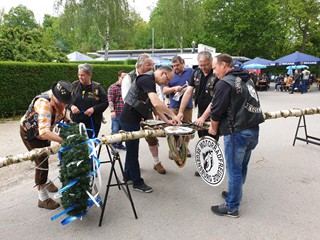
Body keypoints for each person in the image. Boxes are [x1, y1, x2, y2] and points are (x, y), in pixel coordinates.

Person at [209, 54, 264, 218]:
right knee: (242, 167)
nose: (214, 72)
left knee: (234, 170)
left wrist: (213, 130)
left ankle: (232, 206)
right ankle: (234, 193)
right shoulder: (247, 78)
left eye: (215, 68)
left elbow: (216, 111)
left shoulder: (224, 83)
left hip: (237, 132)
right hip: (253, 129)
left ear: (224, 65)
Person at [120, 66, 181, 193]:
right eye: (167, 79)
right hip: (129, 119)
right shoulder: (147, 79)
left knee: (131, 149)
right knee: (132, 151)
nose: (167, 83)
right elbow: (157, 103)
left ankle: (127, 176)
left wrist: (168, 121)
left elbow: (154, 107)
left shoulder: (150, 81)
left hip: (132, 119)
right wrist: (174, 115)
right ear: (163, 74)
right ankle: (137, 183)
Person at [20, 81, 74, 210]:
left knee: (45, 160)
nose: (65, 104)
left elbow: (62, 110)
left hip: (44, 133)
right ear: (56, 96)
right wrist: (63, 140)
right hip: (32, 135)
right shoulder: (44, 104)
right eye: (63, 101)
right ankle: (42, 198)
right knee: (42, 163)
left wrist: (69, 121)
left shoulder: (58, 99)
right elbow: (44, 133)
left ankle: (46, 181)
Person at [122, 53, 166, 174]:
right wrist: (140, 114)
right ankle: (131, 171)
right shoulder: (128, 77)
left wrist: (161, 115)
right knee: (132, 145)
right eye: (148, 65)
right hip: (133, 112)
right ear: (140, 65)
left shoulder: (151, 77)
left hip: (146, 111)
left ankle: (156, 162)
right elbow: (126, 98)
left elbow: (157, 98)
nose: (151, 67)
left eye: (152, 65)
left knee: (152, 137)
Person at [177, 51, 218, 176]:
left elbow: (216, 99)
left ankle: (211, 167)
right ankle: (205, 165)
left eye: (206, 65)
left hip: (215, 110)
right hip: (201, 109)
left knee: (212, 138)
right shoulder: (196, 73)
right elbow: (188, 92)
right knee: (202, 137)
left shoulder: (217, 74)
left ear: (211, 62)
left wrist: (203, 117)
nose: (203, 68)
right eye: (201, 65)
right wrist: (180, 112)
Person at [163, 56, 193, 159]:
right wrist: (174, 88)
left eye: (177, 65)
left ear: (183, 63)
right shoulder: (170, 75)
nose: (175, 67)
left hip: (187, 107)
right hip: (174, 107)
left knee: (187, 128)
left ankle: (185, 148)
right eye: (174, 66)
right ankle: (172, 149)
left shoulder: (190, 72)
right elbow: (164, 90)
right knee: (173, 128)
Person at [68, 63, 109, 138]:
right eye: (79, 74)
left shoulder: (97, 88)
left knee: (90, 144)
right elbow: (65, 100)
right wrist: (71, 106)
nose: (80, 77)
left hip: (92, 122)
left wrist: (93, 109)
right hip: (76, 121)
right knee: (76, 143)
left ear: (90, 75)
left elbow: (105, 103)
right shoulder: (74, 85)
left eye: (83, 75)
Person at [107, 70, 127, 151]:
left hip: (125, 114)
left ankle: (119, 144)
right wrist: (112, 111)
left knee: (123, 131)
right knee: (115, 130)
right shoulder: (113, 87)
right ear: (119, 77)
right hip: (117, 113)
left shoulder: (127, 87)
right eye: (123, 77)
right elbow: (110, 100)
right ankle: (113, 147)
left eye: (126, 78)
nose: (125, 79)